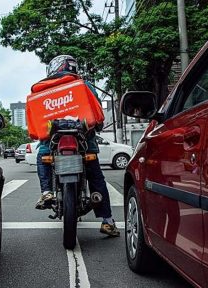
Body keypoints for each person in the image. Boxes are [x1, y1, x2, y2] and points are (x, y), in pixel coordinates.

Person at [32, 55, 120, 237]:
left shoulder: (44, 89)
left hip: (52, 143)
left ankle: (47, 191)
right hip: (85, 143)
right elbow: (97, 114)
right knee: (96, 178)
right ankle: (108, 221)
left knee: (43, 157)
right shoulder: (83, 85)